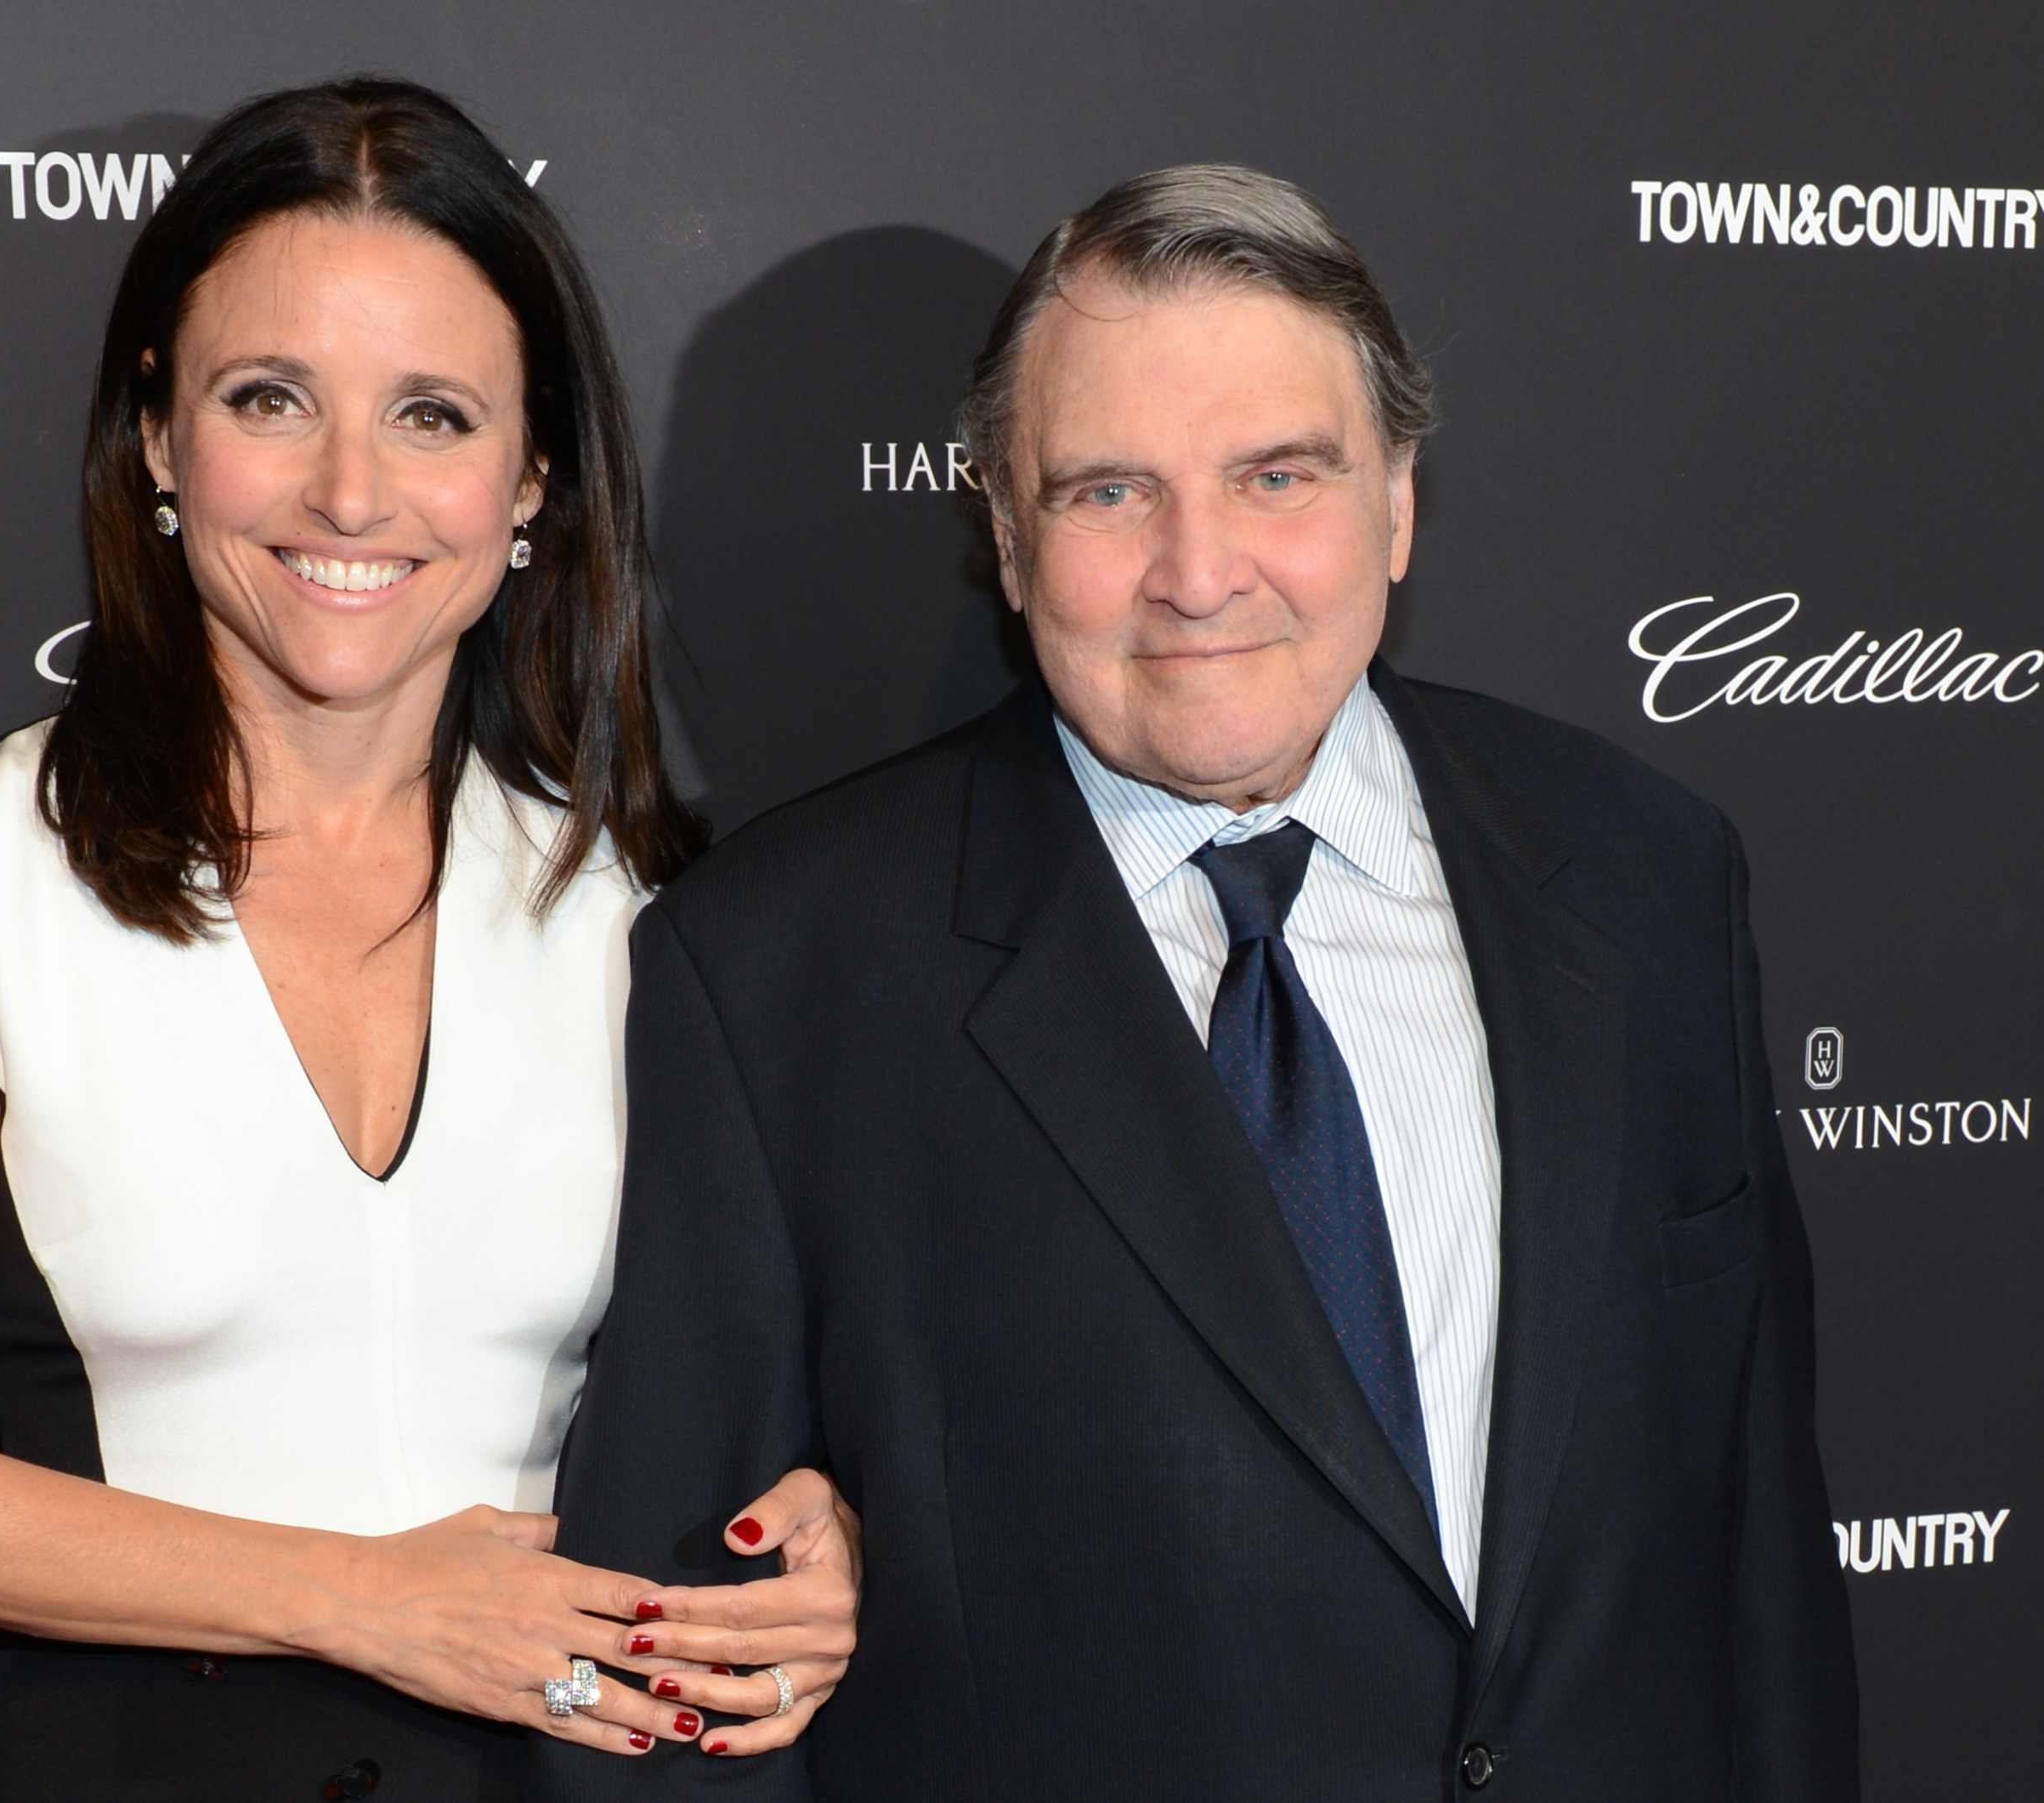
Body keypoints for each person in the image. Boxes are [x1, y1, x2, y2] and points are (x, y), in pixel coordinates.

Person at [535, 166, 1858, 1798]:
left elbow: (1763, 1561)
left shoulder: (1650, 871)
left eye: (1278, 474)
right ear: (1005, 542)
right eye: (1107, 493)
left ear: (1398, 501)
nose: (1200, 570)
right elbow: (679, 1675)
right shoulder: (777, 967)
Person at [0, 79, 856, 1802]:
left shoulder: (641, 899)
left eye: (433, 416)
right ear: (162, 439)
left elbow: (771, 1399)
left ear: (531, 478)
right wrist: (366, 1598)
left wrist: (816, 1523)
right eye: (273, 399)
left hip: (581, 1769)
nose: (353, 492)